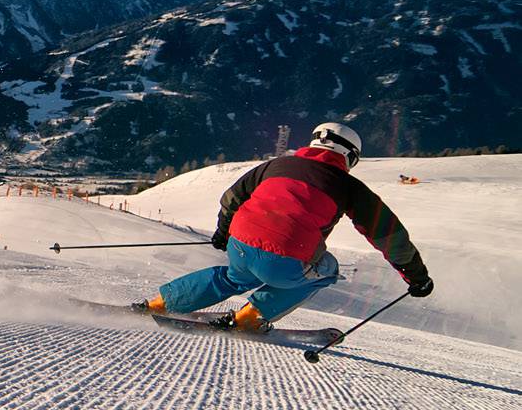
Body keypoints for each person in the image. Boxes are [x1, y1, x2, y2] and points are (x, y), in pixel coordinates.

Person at [138, 122, 434, 331]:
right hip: (286, 258)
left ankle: (161, 303)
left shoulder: (275, 165)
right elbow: (390, 236)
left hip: (239, 246)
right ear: (350, 157)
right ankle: (252, 316)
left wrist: (223, 232)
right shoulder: (349, 187)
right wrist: (416, 277)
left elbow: (232, 197)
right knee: (328, 269)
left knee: (231, 278)